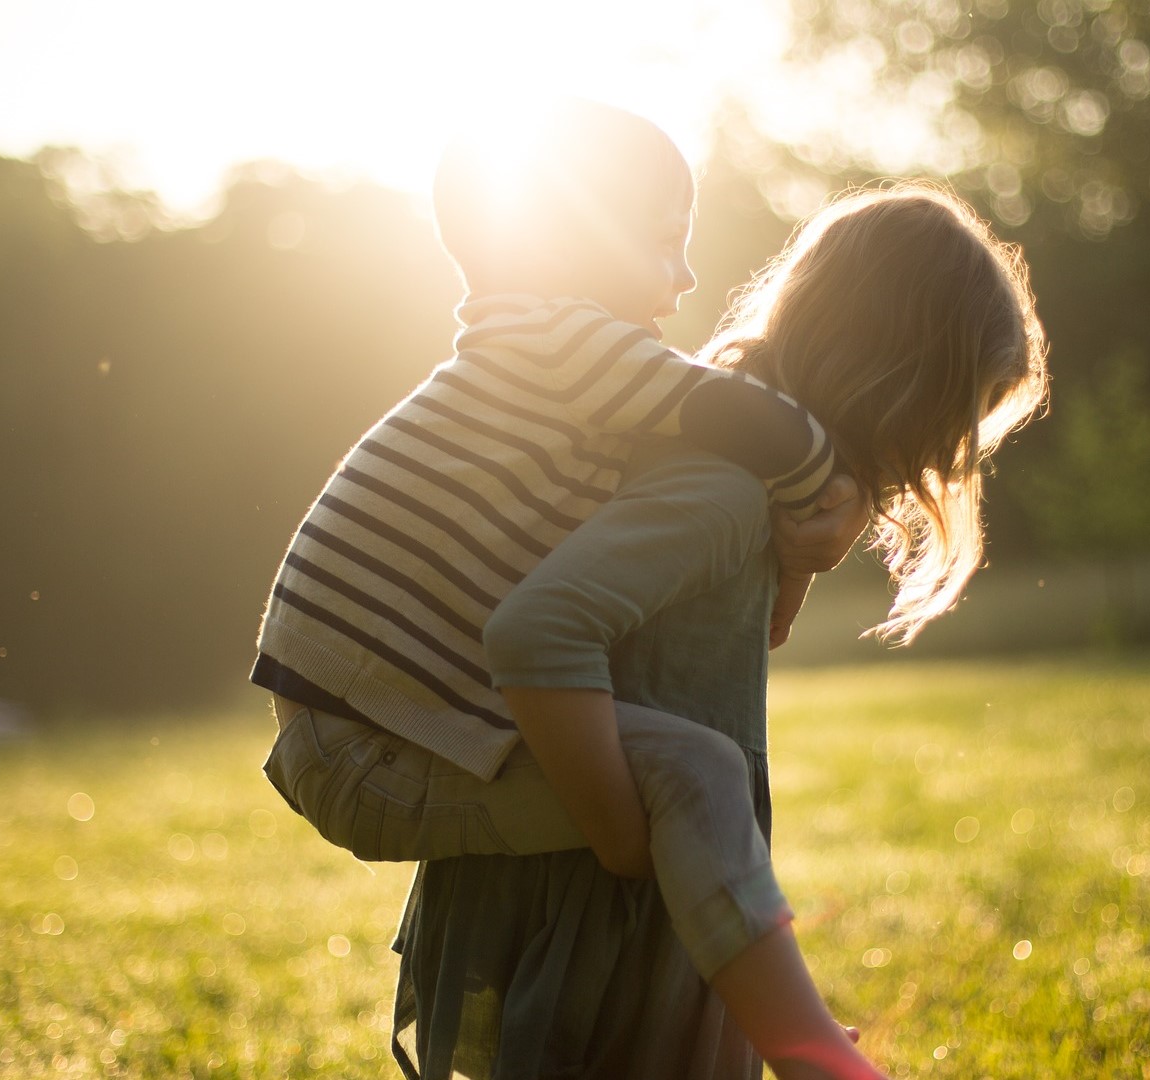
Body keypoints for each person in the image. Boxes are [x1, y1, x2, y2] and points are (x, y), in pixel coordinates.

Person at [252, 100, 882, 1076]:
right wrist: (826, 488)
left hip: (360, 731)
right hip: (369, 742)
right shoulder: (558, 343)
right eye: (667, 245)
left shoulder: (534, 361)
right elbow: (733, 411)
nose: (684, 279)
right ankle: (803, 1049)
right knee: (697, 776)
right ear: (571, 240)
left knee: (683, 781)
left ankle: (762, 1020)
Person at [391, 183, 1048, 1078]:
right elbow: (541, 632)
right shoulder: (723, 488)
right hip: (595, 893)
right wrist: (627, 837)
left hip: (642, 883)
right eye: (950, 419)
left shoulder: (746, 472)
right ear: (896, 379)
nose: (940, 457)